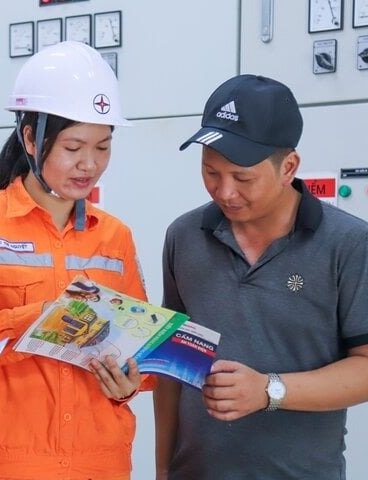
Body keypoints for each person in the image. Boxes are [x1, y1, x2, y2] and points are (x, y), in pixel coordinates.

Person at [0, 41, 153, 480]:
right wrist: (38, 318)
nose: (89, 164)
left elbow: (141, 359)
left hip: (101, 464)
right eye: (73, 147)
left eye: (103, 147)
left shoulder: (115, 236)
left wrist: (129, 384)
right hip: (7, 465)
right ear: (31, 138)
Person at [154, 74, 368, 479]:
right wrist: (163, 469)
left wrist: (269, 390)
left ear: (288, 167)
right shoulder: (184, 236)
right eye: (211, 172)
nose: (224, 191)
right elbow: (171, 366)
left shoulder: (349, 244)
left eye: (243, 178)